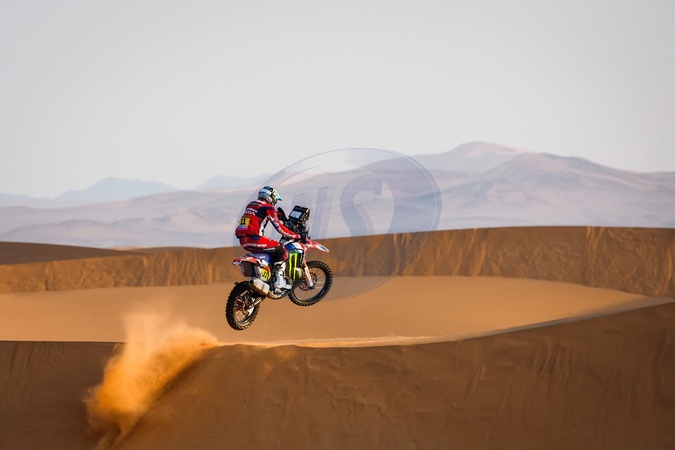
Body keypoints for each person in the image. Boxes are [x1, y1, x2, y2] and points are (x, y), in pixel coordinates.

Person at [235, 186, 301, 293]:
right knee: (280, 249)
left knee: (270, 253)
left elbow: (256, 216)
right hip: (255, 239)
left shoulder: (251, 204)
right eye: (274, 199)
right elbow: (279, 228)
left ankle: (266, 278)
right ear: (270, 197)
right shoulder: (268, 207)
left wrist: (278, 214)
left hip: (243, 240)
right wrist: (295, 235)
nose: (274, 202)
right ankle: (279, 283)